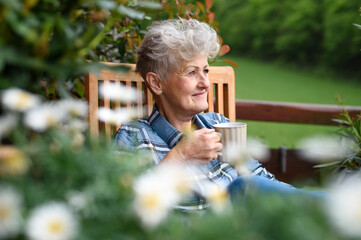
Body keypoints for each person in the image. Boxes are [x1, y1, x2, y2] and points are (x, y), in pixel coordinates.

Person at [115, 19, 323, 212]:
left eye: (205, 70)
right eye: (191, 72)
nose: (205, 83)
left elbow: (263, 181)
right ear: (156, 83)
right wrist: (181, 155)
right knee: (243, 187)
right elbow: (123, 208)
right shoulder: (133, 137)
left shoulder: (219, 124)